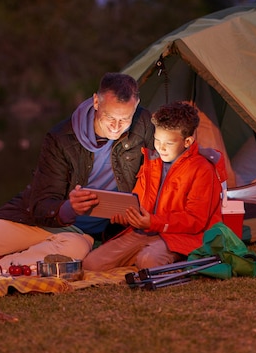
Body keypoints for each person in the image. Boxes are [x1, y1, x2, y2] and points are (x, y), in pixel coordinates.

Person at [0, 72, 154, 269]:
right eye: (109, 117)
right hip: (38, 221)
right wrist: (69, 207)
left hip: (80, 238)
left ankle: (0, 266)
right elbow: (41, 203)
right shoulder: (62, 137)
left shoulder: (143, 124)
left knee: (76, 250)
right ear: (96, 102)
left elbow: (167, 167)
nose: (116, 127)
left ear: (135, 106)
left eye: (124, 120)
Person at [82, 101, 223, 271]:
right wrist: (126, 216)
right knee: (91, 264)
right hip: (144, 232)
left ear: (187, 141)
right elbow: (139, 203)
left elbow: (195, 220)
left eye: (168, 143)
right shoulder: (152, 162)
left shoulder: (201, 169)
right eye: (157, 140)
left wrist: (153, 222)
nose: (161, 148)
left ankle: (169, 258)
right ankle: (144, 255)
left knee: (148, 262)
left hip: (179, 236)